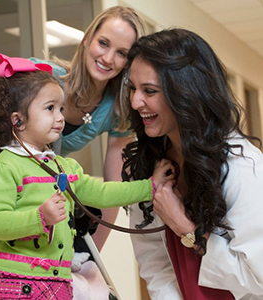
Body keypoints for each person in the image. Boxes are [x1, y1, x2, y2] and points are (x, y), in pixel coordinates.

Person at [0, 52, 167, 300]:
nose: (61, 117)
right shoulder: (4, 167)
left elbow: (104, 192)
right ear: (18, 120)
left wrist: (150, 187)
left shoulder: (65, 167)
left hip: (56, 283)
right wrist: (39, 217)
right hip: (16, 284)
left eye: (61, 108)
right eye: (50, 108)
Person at [121, 28, 263, 300]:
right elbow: (154, 261)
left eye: (149, 90)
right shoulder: (146, 164)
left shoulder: (242, 166)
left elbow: (258, 276)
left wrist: (185, 227)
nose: (136, 102)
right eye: (133, 89)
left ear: (185, 92)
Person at [28, 6, 149, 251]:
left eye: (121, 53)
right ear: (86, 40)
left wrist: (91, 256)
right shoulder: (41, 75)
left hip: (32, 190)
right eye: (103, 43)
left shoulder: (116, 111)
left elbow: (114, 191)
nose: (108, 58)